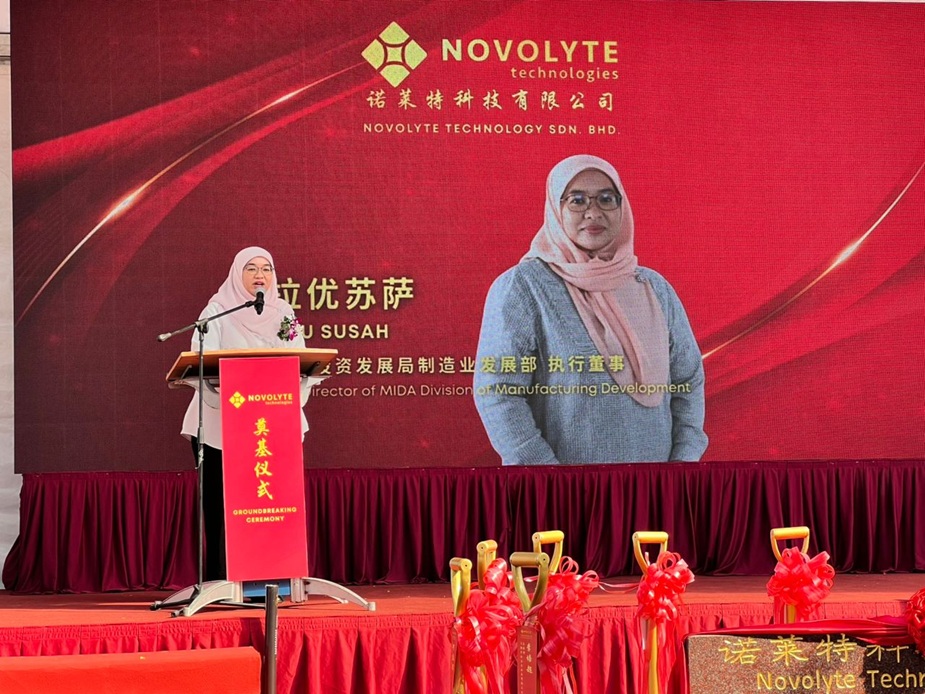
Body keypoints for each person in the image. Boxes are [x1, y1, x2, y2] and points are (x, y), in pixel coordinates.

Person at [473, 155, 707, 465]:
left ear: (622, 207)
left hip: (656, 488)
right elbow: (498, 392)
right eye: (577, 200)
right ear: (556, 208)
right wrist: (547, 481)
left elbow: (688, 380)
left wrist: (682, 466)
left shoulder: (654, 288)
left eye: (606, 199)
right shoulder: (525, 287)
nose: (593, 212)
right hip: (563, 491)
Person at [181, 246, 308, 580]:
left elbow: (300, 361)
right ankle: (221, 579)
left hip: (272, 421)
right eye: (251, 268)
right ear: (237, 274)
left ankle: (269, 577)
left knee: (269, 502)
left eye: (266, 268)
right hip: (221, 426)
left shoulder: (284, 313)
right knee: (221, 505)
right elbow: (201, 361)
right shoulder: (217, 311)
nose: (259, 275)